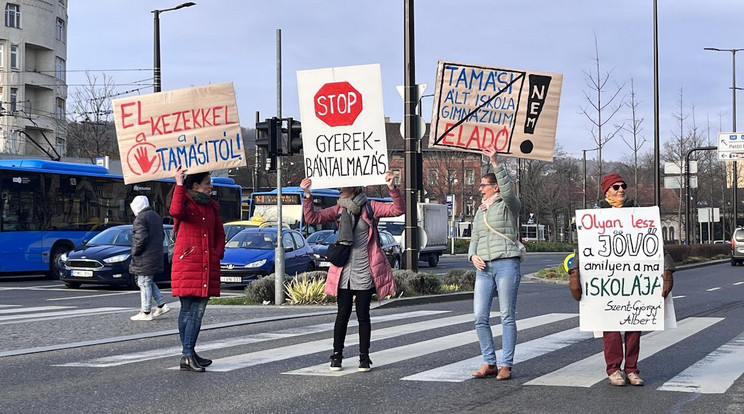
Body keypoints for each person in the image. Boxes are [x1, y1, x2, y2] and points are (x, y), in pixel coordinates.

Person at [569, 173, 675, 386]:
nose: (620, 190)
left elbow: (656, 245)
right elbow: (584, 247)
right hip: (607, 282)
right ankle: (614, 369)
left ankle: (632, 369)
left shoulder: (640, 215)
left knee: (635, 325)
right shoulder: (595, 217)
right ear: (606, 191)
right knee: (611, 328)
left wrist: (668, 269)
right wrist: (575, 272)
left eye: (623, 186)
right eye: (615, 187)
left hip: (634, 281)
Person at [300, 171, 404, 372]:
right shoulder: (339, 208)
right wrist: (307, 195)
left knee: (363, 315)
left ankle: (364, 358)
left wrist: (393, 188)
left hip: (365, 268)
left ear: (355, 187)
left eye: (344, 186)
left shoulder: (371, 207)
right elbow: (312, 217)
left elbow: (398, 210)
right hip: (343, 270)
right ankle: (336, 356)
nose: (340, 189)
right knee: (342, 314)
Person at [468, 145, 522, 380]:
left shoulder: (509, 205)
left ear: (494, 187)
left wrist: (496, 163)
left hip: (506, 264)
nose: (480, 189)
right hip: (484, 268)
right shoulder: (480, 211)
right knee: (480, 317)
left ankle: (506, 364)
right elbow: (476, 237)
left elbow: (509, 191)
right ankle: (489, 361)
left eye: (483, 185)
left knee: (506, 315)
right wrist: (472, 255)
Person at [170, 167, 226, 372]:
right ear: (196, 185)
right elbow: (175, 211)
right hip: (188, 263)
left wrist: (216, 253)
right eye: (208, 183)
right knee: (188, 311)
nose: (211, 186)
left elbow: (220, 232)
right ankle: (187, 353)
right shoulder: (184, 202)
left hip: (206, 263)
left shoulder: (211, 208)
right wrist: (178, 183)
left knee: (197, 311)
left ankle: (189, 353)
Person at [129, 195, 170, 321]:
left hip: (145, 256)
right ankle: (161, 304)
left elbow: (139, 238)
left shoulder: (140, 218)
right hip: (155, 253)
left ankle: (146, 311)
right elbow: (162, 235)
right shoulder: (155, 216)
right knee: (147, 280)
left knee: (144, 282)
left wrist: (134, 252)